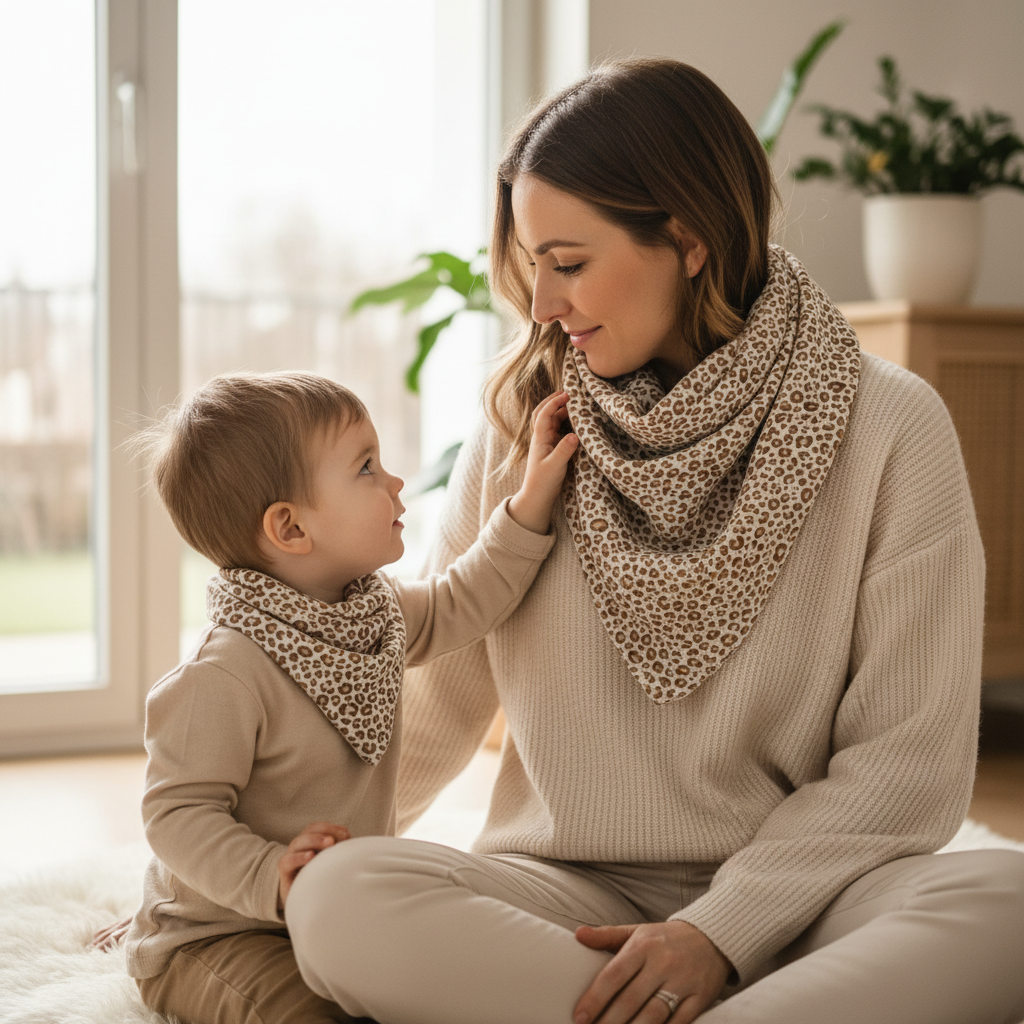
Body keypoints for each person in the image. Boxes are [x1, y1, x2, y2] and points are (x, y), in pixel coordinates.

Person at [284, 58, 1024, 1024]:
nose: (542, 305)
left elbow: (909, 760)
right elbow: (429, 701)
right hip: (570, 899)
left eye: (571, 262)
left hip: (808, 903)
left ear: (687, 239)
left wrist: (724, 931)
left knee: (1005, 904)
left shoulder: (889, 426)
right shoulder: (525, 426)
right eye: (531, 264)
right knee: (342, 900)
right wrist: (250, 875)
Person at [121, 371, 579, 1023]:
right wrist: (271, 874)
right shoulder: (221, 675)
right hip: (220, 937)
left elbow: (462, 603)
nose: (396, 482)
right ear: (290, 528)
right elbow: (176, 815)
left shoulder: (373, 615)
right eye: (366, 467)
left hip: (336, 916)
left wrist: (531, 499)